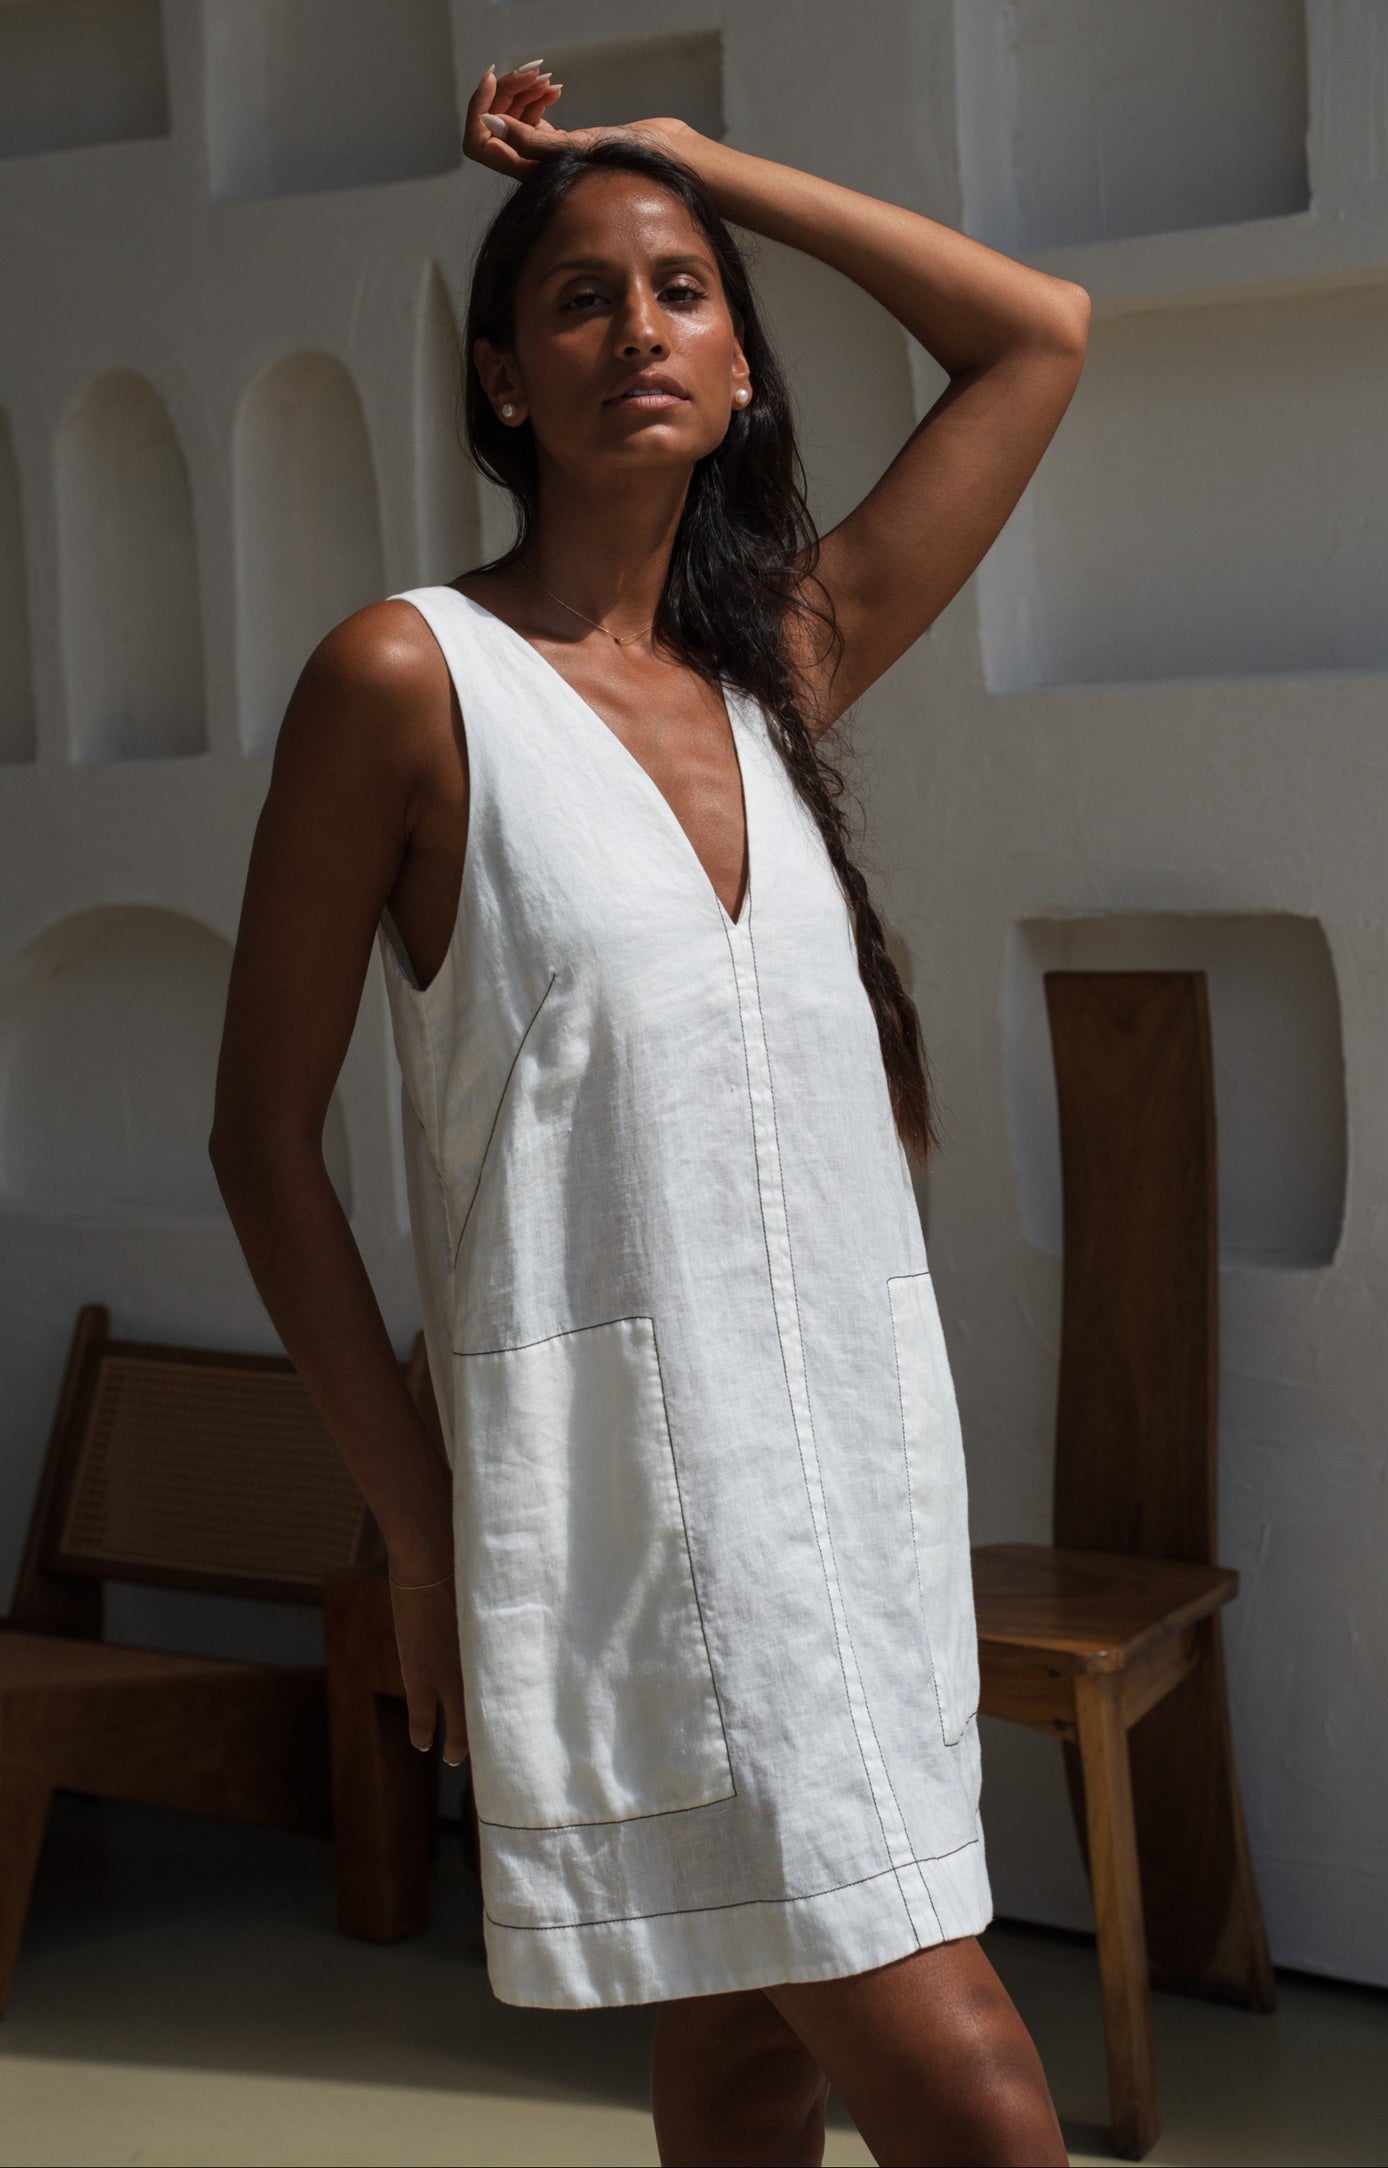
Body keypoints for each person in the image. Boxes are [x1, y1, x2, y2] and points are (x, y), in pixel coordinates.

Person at [210, 56, 1089, 2168]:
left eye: (685, 292)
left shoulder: (780, 662)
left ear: (747, 364)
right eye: (584, 302)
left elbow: (1034, 337)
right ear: (499, 380)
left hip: (851, 1495)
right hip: (621, 1513)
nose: (641, 330)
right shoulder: (406, 682)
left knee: (750, 2063)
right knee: (976, 2096)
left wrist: (693, 162)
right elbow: (258, 1140)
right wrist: (422, 1530)